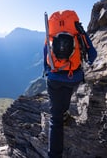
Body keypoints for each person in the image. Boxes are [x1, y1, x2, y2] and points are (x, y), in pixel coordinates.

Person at [43, 10, 97, 158]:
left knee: (55, 119)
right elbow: (92, 54)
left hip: (54, 78)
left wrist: (49, 71)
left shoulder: (50, 34)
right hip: (74, 77)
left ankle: (54, 155)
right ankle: (64, 111)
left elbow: (45, 55)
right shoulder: (77, 31)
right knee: (67, 94)